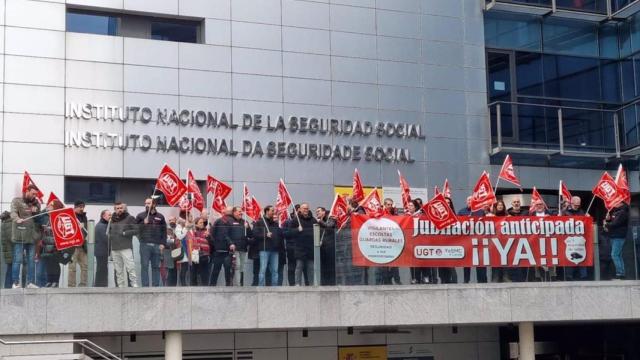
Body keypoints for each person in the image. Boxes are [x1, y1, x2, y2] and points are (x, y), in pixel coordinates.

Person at [10, 185, 41, 288]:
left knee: (31, 260)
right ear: (27, 191)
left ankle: (30, 282)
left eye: (36, 194)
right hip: (20, 235)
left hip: (31, 237)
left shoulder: (36, 203)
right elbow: (13, 212)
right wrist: (17, 218)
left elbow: (38, 218)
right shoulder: (17, 201)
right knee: (17, 259)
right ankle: (15, 282)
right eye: (33, 193)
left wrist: (37, 211)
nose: (34, 196)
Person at [135, 198, 167, 287]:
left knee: (156, 267)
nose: (146, 205)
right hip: (144, 244)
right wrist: (142, 224)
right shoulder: (140, 216)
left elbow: (164, 231)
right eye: (145, 203)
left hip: (157, 245)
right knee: (144, 266)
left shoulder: (160, 216)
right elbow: (134, 228)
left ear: (154, 204)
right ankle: (145, 287)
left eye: (148, 203)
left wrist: (163, 243)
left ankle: (155, 286)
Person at [108, 202, 138, 287]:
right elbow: (109, 233)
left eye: (121, 208)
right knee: (118, 270)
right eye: (117, 208)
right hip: (115, 248)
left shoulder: (130, 218)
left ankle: (134, 285)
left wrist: (125, 233)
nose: (119, 210)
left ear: (123, 209)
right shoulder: (112, 219)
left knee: (130, 267)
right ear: (115, 209)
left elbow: (136, 230)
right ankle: (120, 287)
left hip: (126, 247)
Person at [457, 196, 487, 284]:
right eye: (468, 200)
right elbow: (458, 224)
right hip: (466, 241)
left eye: (471, 200)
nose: (470, 201)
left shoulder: (480, 212)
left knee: (480, 261)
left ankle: (482, 280)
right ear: (466, 202)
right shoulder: (462, 212)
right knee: (466, 262)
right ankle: (466, 280)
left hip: (479, 240)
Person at [37, 199, 66, 287]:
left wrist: (49, 229)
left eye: (50, 205)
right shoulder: (49, 218)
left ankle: (55, 281)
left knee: (55, 263)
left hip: (55, 245)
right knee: (49, 263)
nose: (48, 207)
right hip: (48, 244)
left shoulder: (59, 217)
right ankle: (50, 280)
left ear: (55, 207)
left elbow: (60, 231)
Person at [253, 206, 283, 286]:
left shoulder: (275, 223)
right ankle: (261, 287)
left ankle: (274, 287)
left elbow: (280, 235)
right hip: (264, 249)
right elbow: (255, 234)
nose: (274, 212)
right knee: (263, 269)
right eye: (272, 210)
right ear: (267, 211)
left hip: (274, 250)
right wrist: (265, 235)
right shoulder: (259, 222)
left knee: (275, 270)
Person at [290, 203, 317, 286]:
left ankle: (311, 284)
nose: (306, 210)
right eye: (304, 208)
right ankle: (297, 284)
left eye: (307, 208)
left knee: (311, 268)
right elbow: (290, 232)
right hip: (300, 247)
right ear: (300, 210)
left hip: (310, 248)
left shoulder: (313, 220)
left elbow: (317, 231)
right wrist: (297, 230)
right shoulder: (295, 220)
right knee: (299, 266)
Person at [563, 196, 588, 281]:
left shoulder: (582, 212)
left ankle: (583, 276)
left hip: (580, 239)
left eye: (578, 205)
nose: (577, 206)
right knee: (569, 257)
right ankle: (569, 276)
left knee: (582, 256)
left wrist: (588, 218)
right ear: (571, 203)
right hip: (569, 239)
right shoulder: (565, 212)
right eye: (575, 204)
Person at [604, 201, 629, 280]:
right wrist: (608, 220)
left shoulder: (622, 212)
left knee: (614, 255)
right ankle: (621, 274)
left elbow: (615, 224)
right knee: (618, 255)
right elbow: (614, 223)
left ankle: (620, 273)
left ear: (621, 203)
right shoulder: (617, 212)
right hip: (615, 235)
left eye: (616, 201)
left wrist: (606, 224)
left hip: (618, 236)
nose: (614, 203)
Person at [182, 217, 210, 286]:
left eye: (203, 222)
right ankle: (193, 289)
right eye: (200, 222)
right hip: (195, 255)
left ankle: (205, 289)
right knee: (193, 273)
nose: (202, 224)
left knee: (205, 274)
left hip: (204, 255)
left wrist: (209, 236)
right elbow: (186, 241)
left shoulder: (207, 231)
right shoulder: (192, 232)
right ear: (196, 224)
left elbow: (212, 243)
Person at [380, 198, 402, 285]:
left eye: (391, 205)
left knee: (394, 261)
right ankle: (386, 281)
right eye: (388, 204)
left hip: (393, 242)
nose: (390, 206)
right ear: (385, 205)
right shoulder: (381, 213)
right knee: (385, 262)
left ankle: (397, 280)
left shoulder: (394, 213)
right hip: (384, 242)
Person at [67, 201, 89, 287]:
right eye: (80, 207)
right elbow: (68, 231)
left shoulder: (84, 217)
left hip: (82, 246)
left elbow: (86, 231)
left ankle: (83, 285)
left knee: (85, 266)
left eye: (83, 207)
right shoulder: (70, 216)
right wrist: (77, 228)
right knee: (72, 267)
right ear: (75, 207)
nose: (82, 208)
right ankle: (71, 285)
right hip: (73, 246)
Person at [438, 197, 457, 284]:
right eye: (445, 202)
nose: (447, 204)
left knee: (451, 266)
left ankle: (453, 283)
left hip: (451, 243)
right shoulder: (437, 215)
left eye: (448, 202)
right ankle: (443, 281)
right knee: (441, 266)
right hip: (440, 243)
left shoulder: (454, 215)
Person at [317, 206, 336, 286]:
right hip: (322, 248)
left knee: (330, 267)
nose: (317, 213)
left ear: (324, 212)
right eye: (316, 212)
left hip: (330, 247)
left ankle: (331, 283)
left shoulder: (330, 218)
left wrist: (320, 222)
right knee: (323, 267)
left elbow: (329, 226)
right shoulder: (317, 221)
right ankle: (323, 283)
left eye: (319, 211)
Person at [490, 200, 509, 283]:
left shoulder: (508, 216)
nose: (500, 206)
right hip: (494, 242)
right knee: (495, 261)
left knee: (505, 260)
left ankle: (505, 277)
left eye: (501, 205)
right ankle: (495, 278)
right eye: (498, 205)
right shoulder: (491, 216)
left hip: (505, 241)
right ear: (495, 207)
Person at [283, 204, 301, 286]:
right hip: (291, 248)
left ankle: (304, 284)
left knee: (302, 267)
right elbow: (285, 234)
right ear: (294, 212)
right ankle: (292, 284)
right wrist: (296, 230)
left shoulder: (304, 221)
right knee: (291, 267)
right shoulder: (287, 222)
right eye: (297, 211)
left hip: (302, 248)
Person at [94, 209, 111, 287]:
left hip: (102, 251)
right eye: (109, 215)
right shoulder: (101, 226)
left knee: (102, 269)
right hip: (101, 252)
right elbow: (106, 239)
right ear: (103, 216)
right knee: (102, 269)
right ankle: (101, 286)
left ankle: (101, 285)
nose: (111, 216)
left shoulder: (103, 225)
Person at [164, 216, 179, 286]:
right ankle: (168, 286)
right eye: (169, 220)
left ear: (175, 220)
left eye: (172, 220)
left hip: (177, 252)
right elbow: (166, 241)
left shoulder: (178, 228)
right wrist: (174, 240)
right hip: (168, 252)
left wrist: (174, 240)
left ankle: (174, 285)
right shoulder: (167, 230)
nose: (171, 221)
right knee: (169, 270)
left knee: (175, 270)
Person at [1, 211, 13, 288]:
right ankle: (8, 285)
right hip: (10, 250)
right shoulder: (9, 224)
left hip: (8, 250)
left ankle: (7, 285)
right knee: (11, 268)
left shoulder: (4, 224)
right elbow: (11, 238)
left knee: (10, 268)